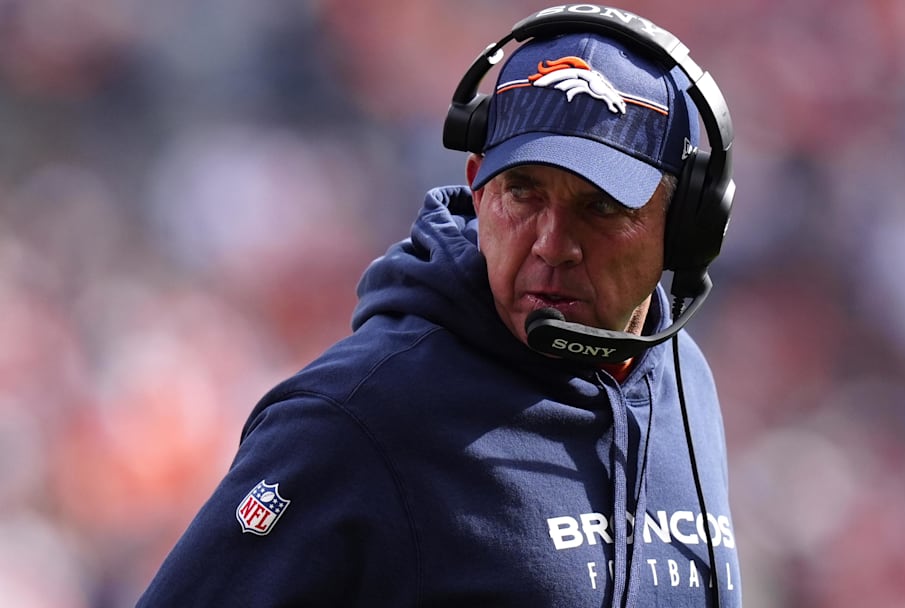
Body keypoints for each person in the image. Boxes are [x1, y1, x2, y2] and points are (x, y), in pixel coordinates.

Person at [138, 5, 742, 607]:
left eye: (602, 207)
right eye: (523, 192)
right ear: (478, 188)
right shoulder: (354, 416)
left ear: (687, 228)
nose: (552, 245)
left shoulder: (684, 382)